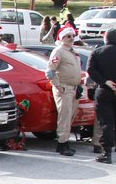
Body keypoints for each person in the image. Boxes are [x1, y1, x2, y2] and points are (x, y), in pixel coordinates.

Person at [47, 27, 83, 156]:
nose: (71, 38)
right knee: (65, 116)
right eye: (68, 36)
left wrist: (79, 84)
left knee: (70, 116)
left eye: (72, 36)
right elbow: (50, 70)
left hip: (73, 88)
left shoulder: (73, 52)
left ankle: (65, 141)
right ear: (61, 38)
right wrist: (57, 85)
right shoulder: (59, 51)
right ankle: (62, 143)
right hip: (64, 88)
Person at [88, 29, 116, 164]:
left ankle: (107, 153)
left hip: (104, 90)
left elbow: (90, 70)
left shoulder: (97, 52)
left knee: (106, 123)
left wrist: (105, 81)